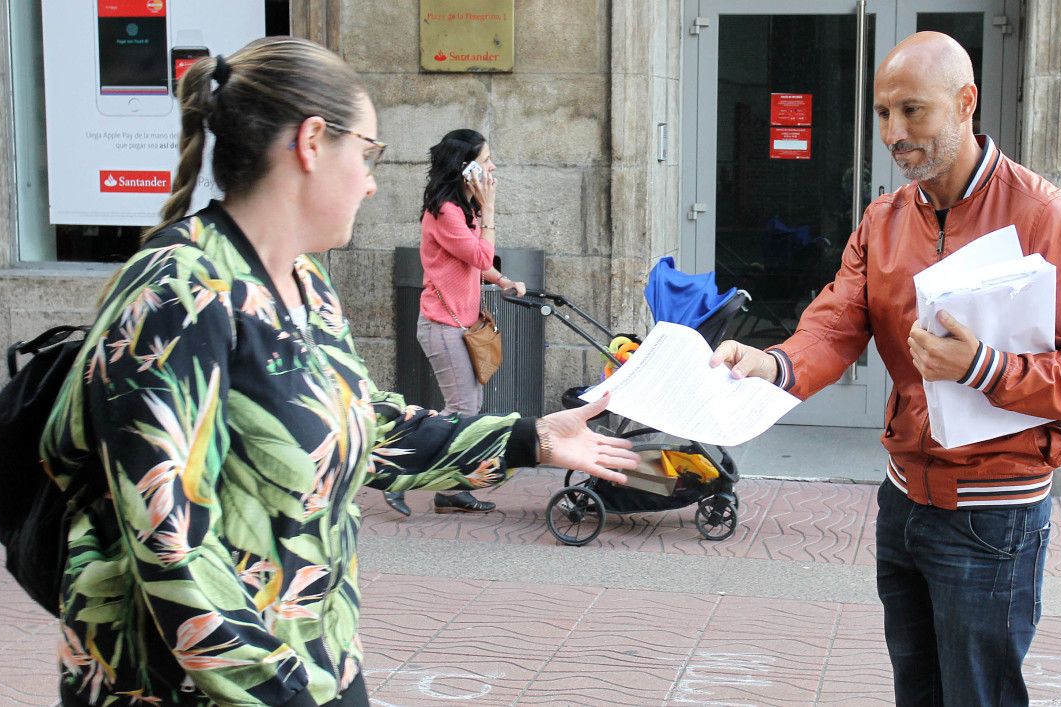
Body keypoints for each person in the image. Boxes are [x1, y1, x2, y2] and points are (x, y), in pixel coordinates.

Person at [40, 37, 638, 707]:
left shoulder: (303, 280)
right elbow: (172, 545)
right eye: (368, 152)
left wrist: (528, 438)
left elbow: (365, 425)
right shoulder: (176, 294)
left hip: (311, 660)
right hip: (203, 689)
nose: (373, 178)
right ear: (312, 143)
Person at [710, 32, 1061, 705]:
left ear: (966, 103)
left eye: (913, 111)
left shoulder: (1048, 218)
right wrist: (771, 362)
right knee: (918, 692)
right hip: (903, 499)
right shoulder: (884, 217)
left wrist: (985, 366)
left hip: (994, 513)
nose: (893, 132)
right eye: (882, 113)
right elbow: (837, 320)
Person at [381, 129, 526, 517]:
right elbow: (480, 256)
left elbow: (470, 266)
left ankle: (452, 488)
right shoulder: (445, 211)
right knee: (460, 409)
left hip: (460, 323)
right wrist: (491, 208)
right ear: (467, 167)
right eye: (487, 158)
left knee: (467, 408)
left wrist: (502, 281)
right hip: (442, 324)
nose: (494, 166)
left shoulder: (463, 208)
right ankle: (395, 472)